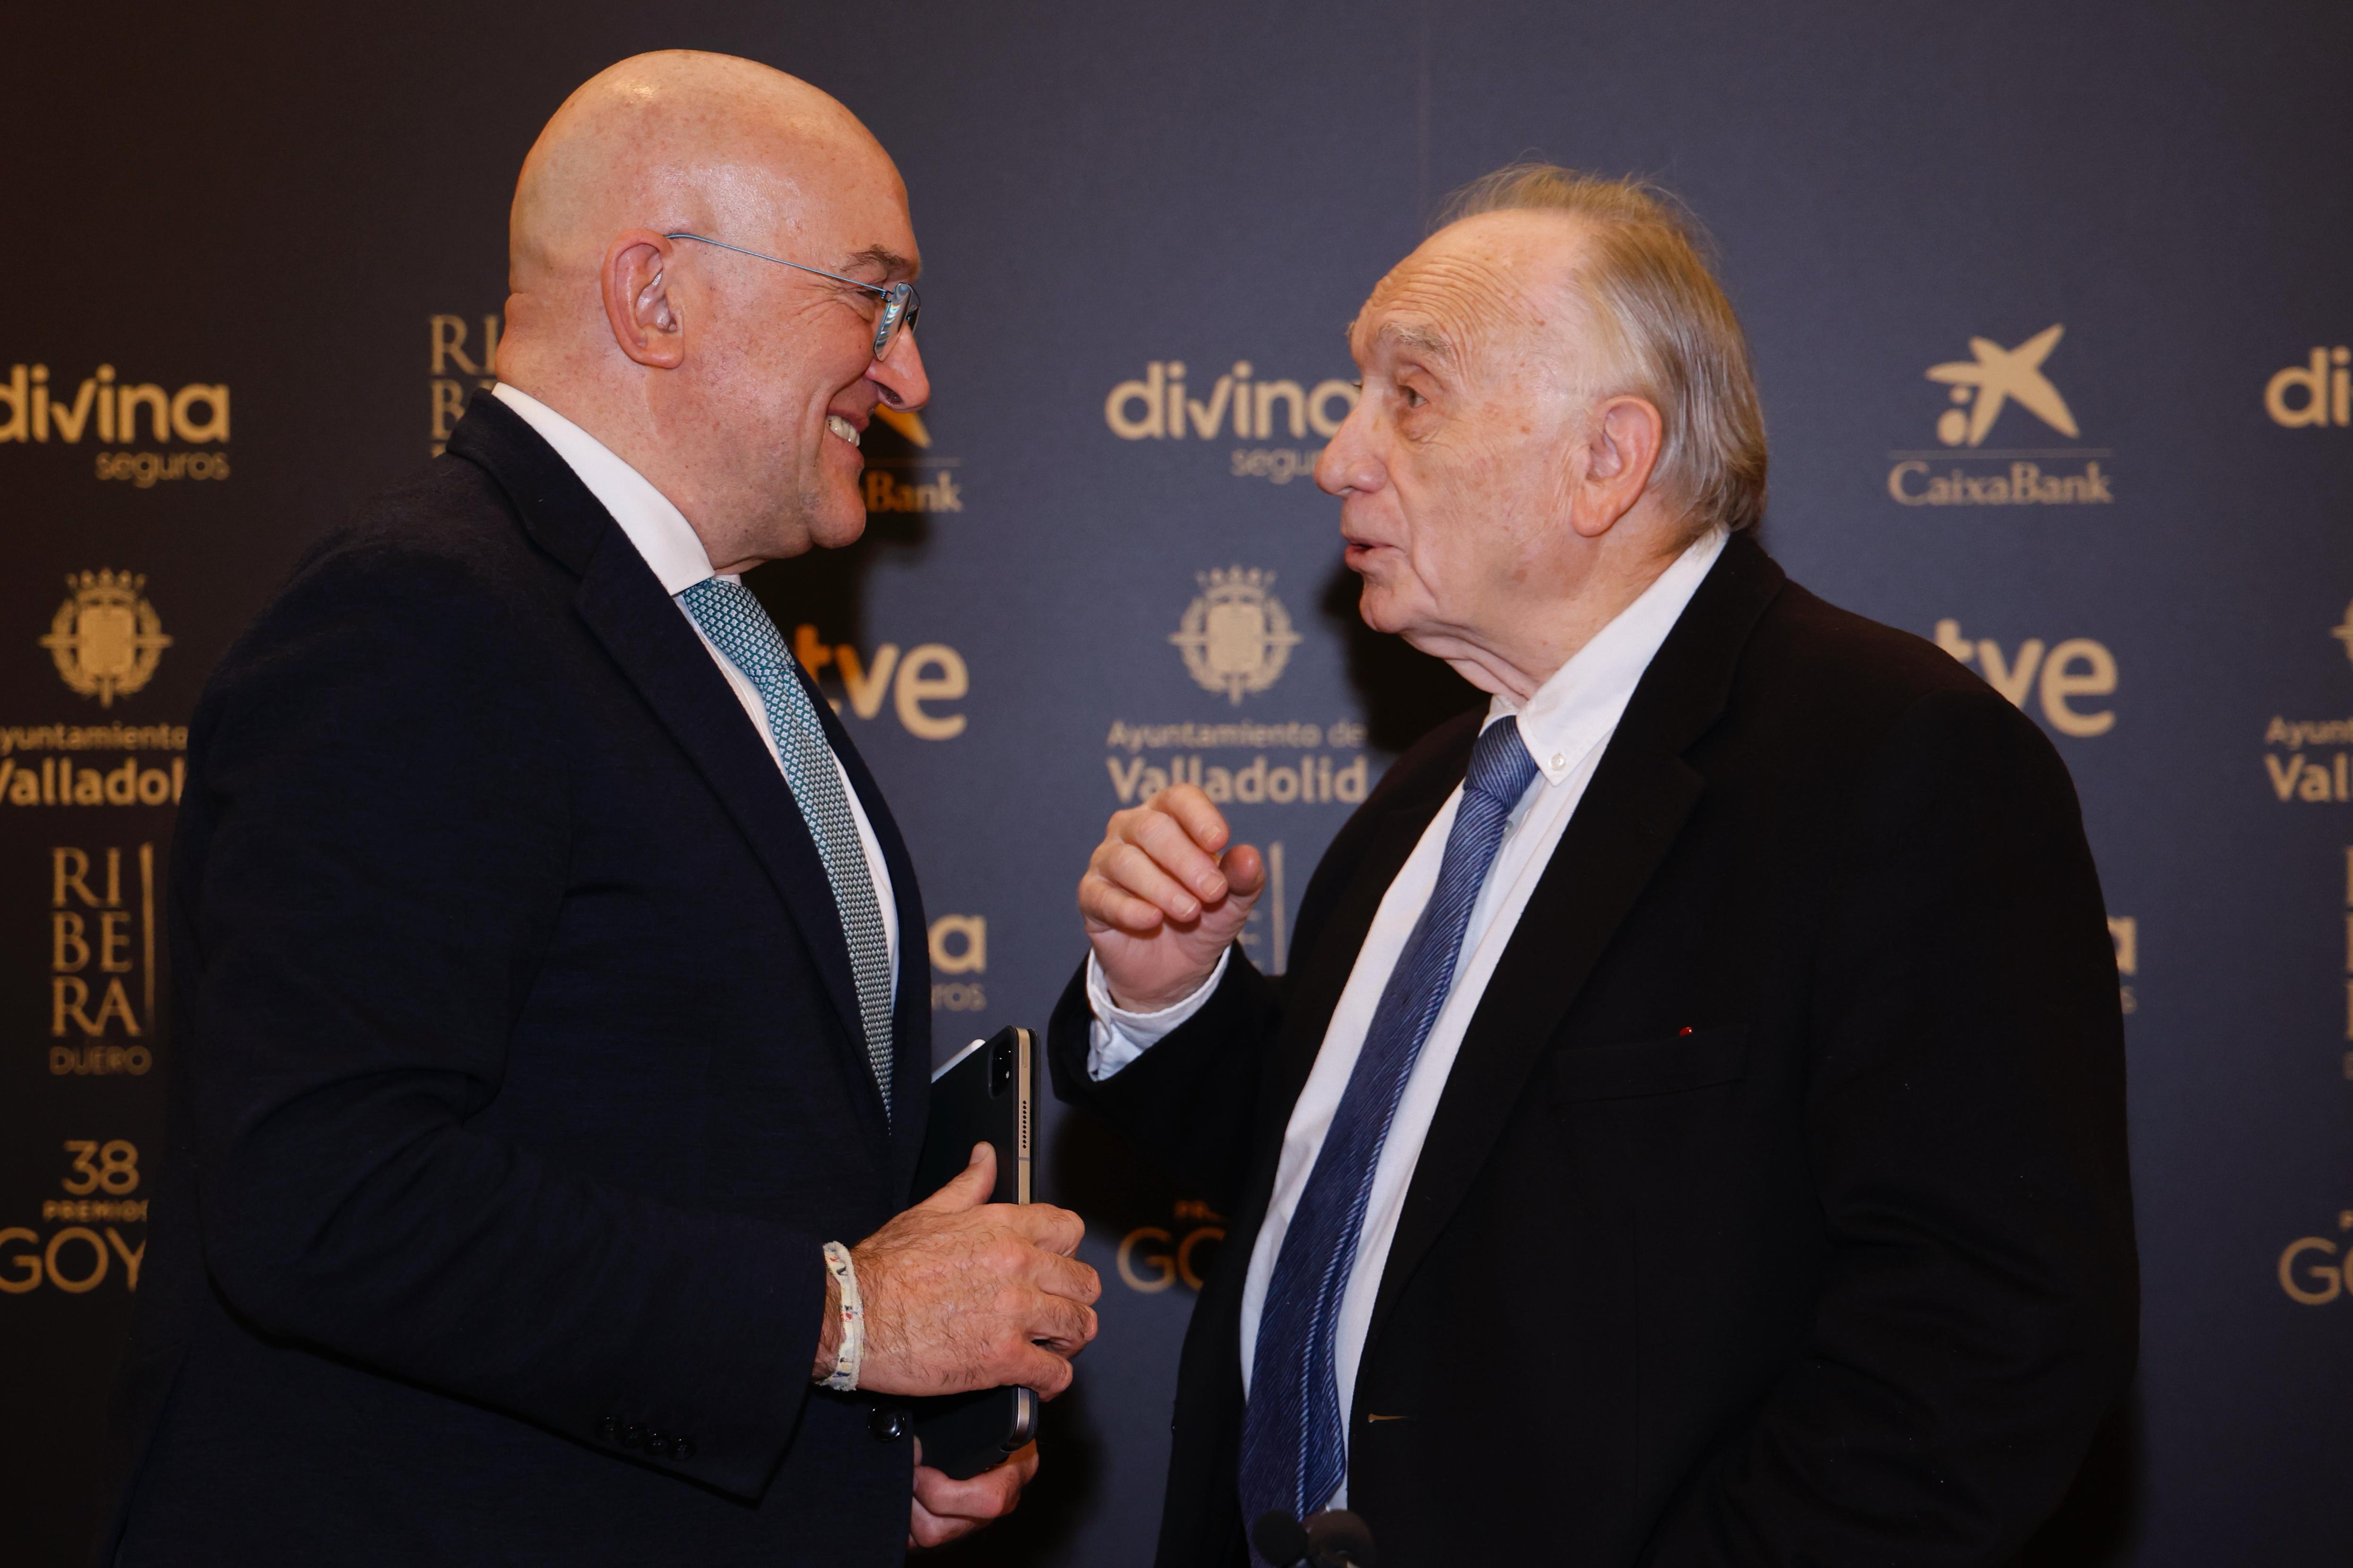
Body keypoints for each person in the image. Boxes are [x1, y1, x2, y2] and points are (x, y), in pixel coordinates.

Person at [98, 51, 1098, 1566]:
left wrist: (836, 1455)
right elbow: (328, 1194)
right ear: (656, 297)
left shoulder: (691, 628)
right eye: (873, 300)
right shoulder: (421, 618)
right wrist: (847, 1320)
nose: (909, 377)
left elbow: (674, 1153)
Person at [1059, 166, 2137, 1567]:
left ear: (1606, 459)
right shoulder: (1428, 793)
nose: (1336, 457)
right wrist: (1168, 1001)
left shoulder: (1897, 761)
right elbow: (1370, 1184)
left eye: (1409, 395)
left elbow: (1985, 1339)